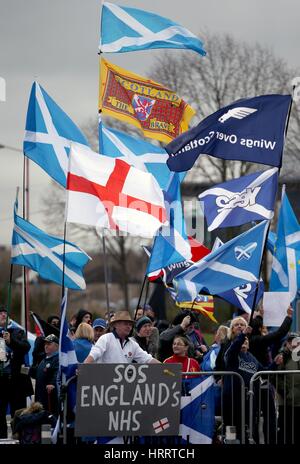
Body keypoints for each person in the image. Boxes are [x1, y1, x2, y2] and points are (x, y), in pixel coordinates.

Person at [0, 304, 33, 438]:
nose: (3, 314)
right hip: (1, 378)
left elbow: (25, 347)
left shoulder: (17, 331)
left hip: (15, 378)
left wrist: (10, 341)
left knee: (17, 410)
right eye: (0, 313)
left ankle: (18, 435)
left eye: (4, 312)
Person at [84, 311, 160, 364]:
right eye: (125, 324)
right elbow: (94, 354)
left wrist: (164, 368)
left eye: (130, 325)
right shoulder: (106, 339)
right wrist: (83, 368)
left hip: (123, 385)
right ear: (116, 325)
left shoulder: (132, 344)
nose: (129, 327)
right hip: (105, 383)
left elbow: (147, 359)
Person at [276, 332, 300, 444]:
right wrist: (285, 391)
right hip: (286, 402)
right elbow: (275, 377)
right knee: (286, 433)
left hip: (298, 401)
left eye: (296, 341)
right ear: (287, 343)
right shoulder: (282, 357)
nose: (294, 344)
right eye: (291, 342)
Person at [31, 334, 59, 417]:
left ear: (56, 346)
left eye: (49, 344)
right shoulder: (44, 359)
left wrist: (52, 384)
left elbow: (57, 373)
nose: (46, 346)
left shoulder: (57, 359)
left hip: (50, 398)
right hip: (40, 396)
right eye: (45, 344)